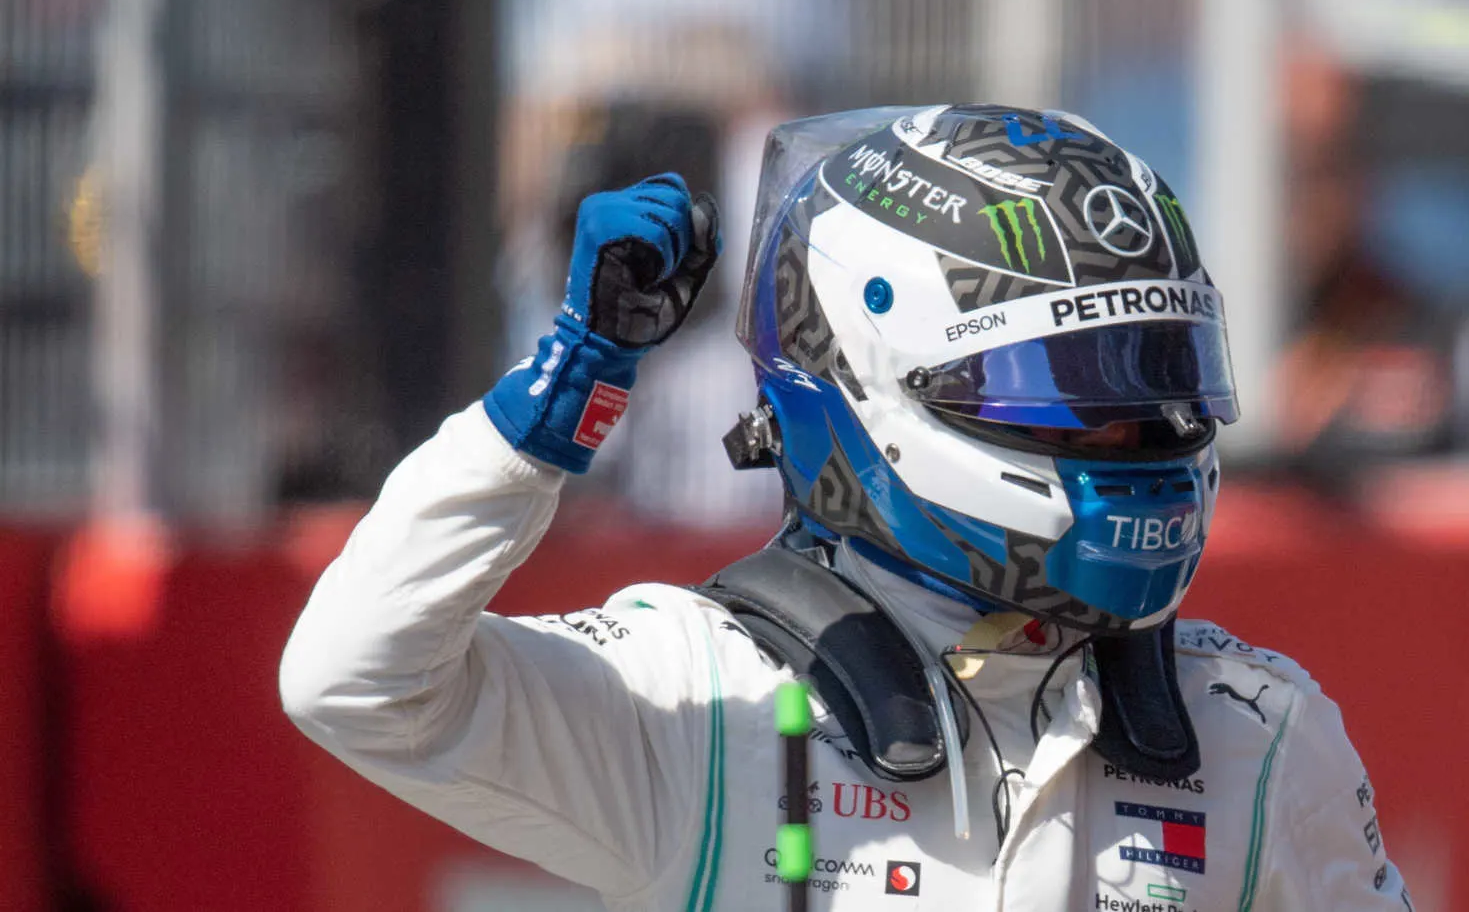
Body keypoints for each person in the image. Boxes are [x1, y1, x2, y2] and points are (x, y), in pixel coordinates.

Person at [280, 104, 1411, 910]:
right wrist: (567, 386)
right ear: (872, 391)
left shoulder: (1255, 735)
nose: (1133, 445)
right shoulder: (703, 698)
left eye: (1153, 398)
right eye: (1072, 408)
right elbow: (358, 681)